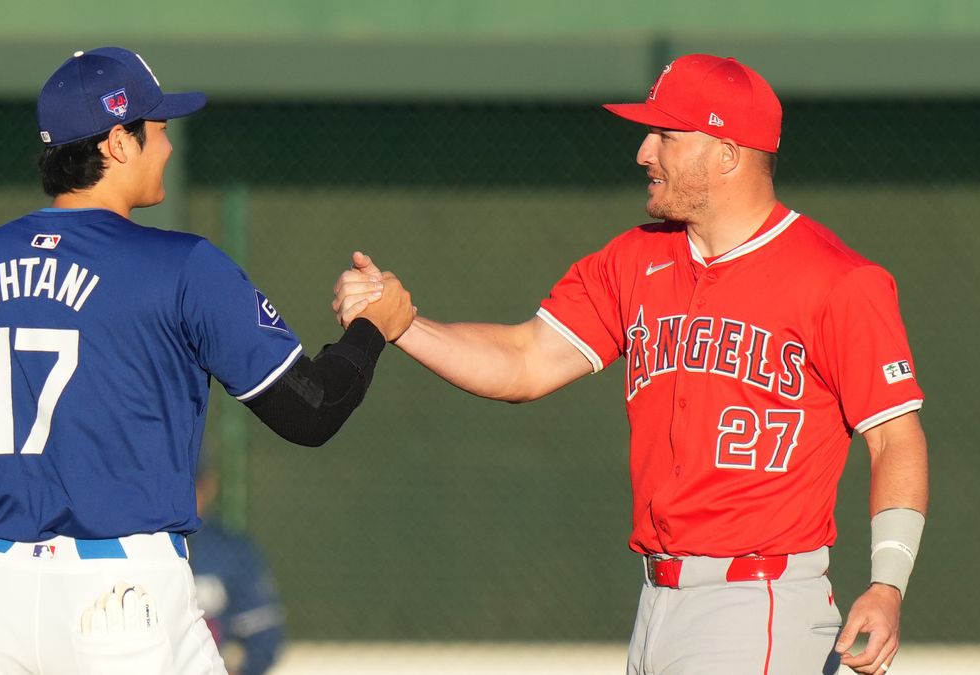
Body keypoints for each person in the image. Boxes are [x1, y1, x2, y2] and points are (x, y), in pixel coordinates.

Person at [333, 54, 927, 675]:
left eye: (666, 136)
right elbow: (526, 360)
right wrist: (403, 324)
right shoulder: (634, 261)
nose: (645, 152)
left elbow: (894, 438)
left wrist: (887, 584)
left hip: (760, 603)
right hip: (656, 603)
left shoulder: (838, 280)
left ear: (726, 153)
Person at [0, 46, 412, 675]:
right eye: (157, 128)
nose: (166, 145)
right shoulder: (183, 265)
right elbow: (311, 412)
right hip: (121, 600)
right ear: (117, 142)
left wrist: (45, 468)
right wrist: (371, 330)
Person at [191, 462, 286, 675]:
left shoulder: (230, 549)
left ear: (209, 485)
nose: (184, 495)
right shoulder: (141, 546)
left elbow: (264, 636)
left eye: (193, 485)